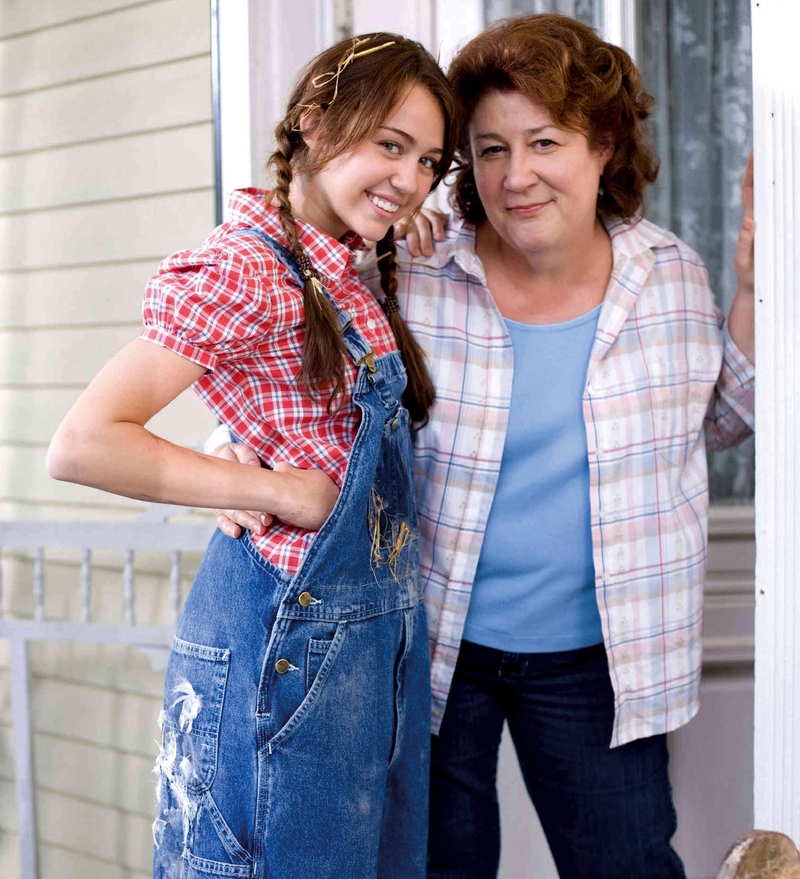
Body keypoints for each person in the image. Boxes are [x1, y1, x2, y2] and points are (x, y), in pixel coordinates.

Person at [213, 14, 756, 879]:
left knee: (628, 866)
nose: (516, 175)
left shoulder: (671, 276)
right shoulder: (416, 271)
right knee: (435, 867)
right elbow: (297, 387)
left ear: (604, 146)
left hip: (600, 661)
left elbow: (716, 426)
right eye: (490, 149)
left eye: (544, 141)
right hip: (431, 647)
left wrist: (757, 288)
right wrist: (235, 468)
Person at [45, 33, 459, 879]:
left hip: (369, 639)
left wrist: (399, 206)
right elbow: (84, 442)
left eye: (428, 160)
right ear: (312, 122)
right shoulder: (246, 268)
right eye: (390, 144)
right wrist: (263, 486)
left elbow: (281, 398)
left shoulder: (342, 261)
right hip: (289, 632)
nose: (410, 178)